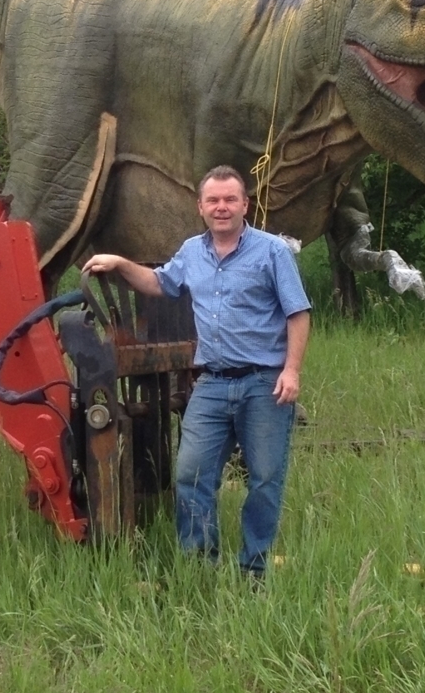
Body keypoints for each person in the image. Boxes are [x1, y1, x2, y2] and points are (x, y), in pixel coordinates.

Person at [83, 166, 311, 577]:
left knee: (263, 479)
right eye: (213, 200)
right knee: (191, 475)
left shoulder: (271, 252)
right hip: (211, 383)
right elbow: (158, 283)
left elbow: (298, 313)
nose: (221, 207)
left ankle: (254, 570)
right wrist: (119, 263)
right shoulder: (191, 251)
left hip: (264, 383)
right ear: (201, 206)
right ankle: (200, 567)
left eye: (229, 200)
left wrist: (291, 371)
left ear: (245, 204)